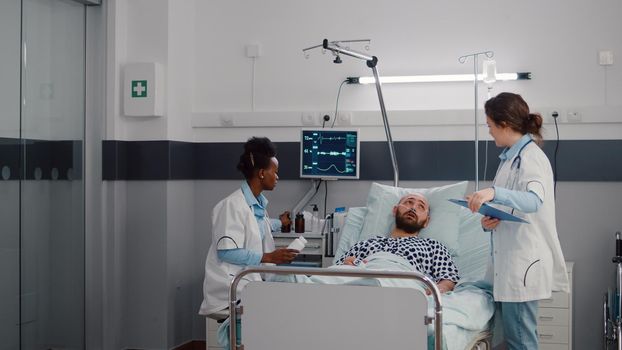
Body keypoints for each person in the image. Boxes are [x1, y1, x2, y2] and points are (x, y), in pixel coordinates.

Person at [466, 92, 569, 350]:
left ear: (504, 124)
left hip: (522, 264)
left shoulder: (531, 157)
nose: (489, 132)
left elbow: (534, 201)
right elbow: (513, 207)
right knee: (517, 340)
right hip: (511, 263)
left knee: (521, 342)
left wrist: (494, 193)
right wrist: (491, 219)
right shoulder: (510, 159)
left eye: (490, 126)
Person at [199, 137, 298, 316]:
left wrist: (280, 223)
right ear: (261, 173)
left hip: (249, 282)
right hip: (230, 287)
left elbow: (258, 226)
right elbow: (226, 252)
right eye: (274, 172)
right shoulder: (231, 205)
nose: (277, 177)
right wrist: (269, 257)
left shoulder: (256, 206)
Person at [335, 193, 459, 294]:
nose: (413, 208)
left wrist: (434, 291)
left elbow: (448, 278)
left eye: (420, 207)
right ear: (395, 210)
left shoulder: (433, 246)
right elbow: (337, 270)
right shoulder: (367, 243)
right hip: (361, 280)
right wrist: (348, 263)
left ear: (426, 221)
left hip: (404, 284)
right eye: (408, 202)